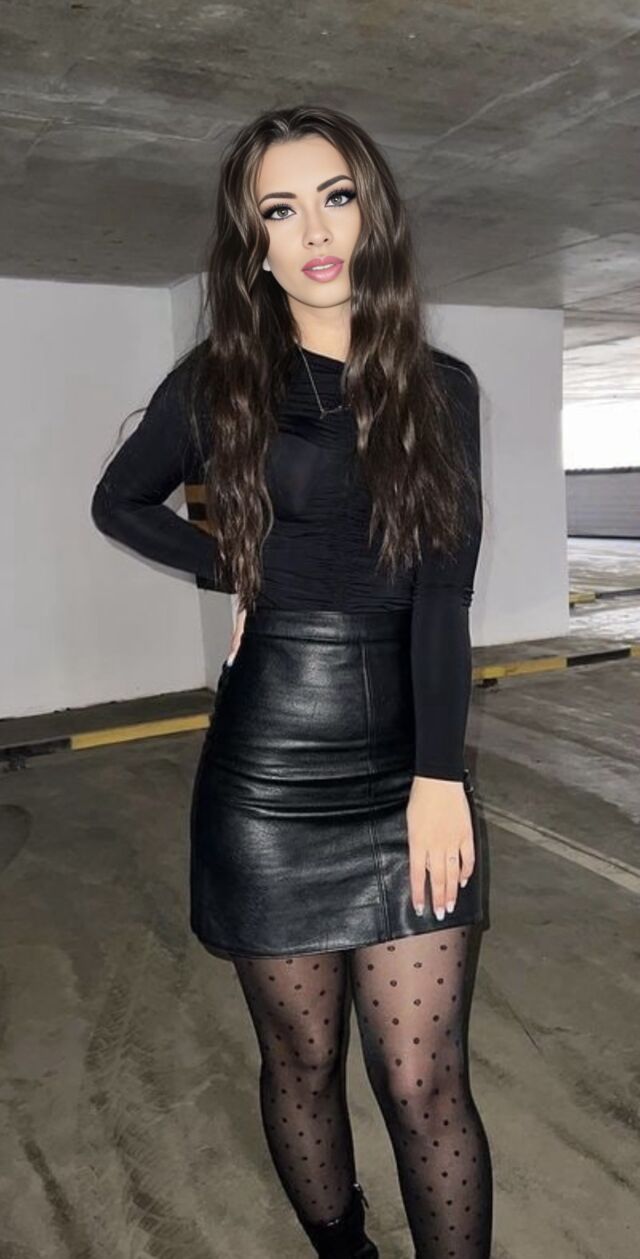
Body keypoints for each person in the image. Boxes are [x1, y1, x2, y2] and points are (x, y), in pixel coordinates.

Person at [91, 104, 493, 1259]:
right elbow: (120, 500)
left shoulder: (441, 387)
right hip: (266, 769)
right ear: (254, 243)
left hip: (405, 760)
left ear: (374, 213)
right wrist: (233, 565)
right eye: (280, 209)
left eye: (334, 196)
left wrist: (436, 775)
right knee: (302, 1057)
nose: (313, 230)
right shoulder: (222, 380)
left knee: (423, 1078)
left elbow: (443, 594)